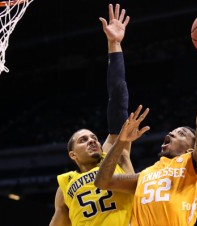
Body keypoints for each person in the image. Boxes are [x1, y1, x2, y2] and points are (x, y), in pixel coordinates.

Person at [94, 21, 197, 226]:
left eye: (180, 133)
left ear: (191, 147)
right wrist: (120, 142)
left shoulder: (196, 165)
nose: (171, 134)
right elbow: (102, 182)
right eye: (172, 131)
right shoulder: (145, 175)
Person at [49, 4, 135, 226]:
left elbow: (117, 99)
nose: (93, 141)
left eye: (94, 137)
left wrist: (114, 44)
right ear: (72, 155)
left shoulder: (114, 154)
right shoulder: (65, 186)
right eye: (83, 140)